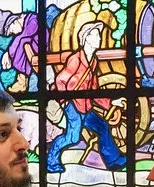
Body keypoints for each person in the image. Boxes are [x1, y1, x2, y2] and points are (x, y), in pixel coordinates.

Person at [46, 21, 126, 173]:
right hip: (73, 106)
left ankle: (114, 160)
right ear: (86, 38)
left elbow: (94, 90)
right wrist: (68, 97)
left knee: (102, 126)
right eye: (95, 35)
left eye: (99, 35)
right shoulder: (75, 59)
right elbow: (60, 79)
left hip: (85, 106)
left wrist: (111, 103)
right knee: (72, 137)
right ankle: (51, 161)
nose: (99, 38)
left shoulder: (92, 62)